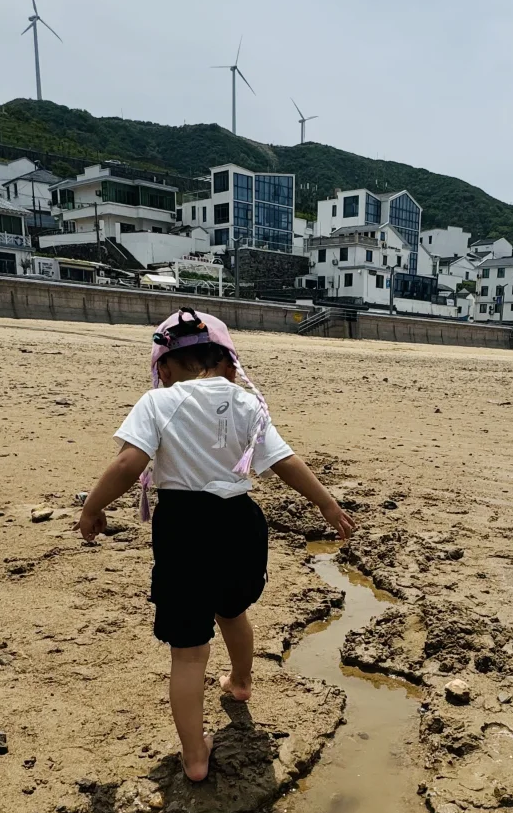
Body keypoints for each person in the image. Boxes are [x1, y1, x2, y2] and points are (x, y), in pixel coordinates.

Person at [77, 308, 356, 783]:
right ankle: (242, 683)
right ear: (229, 364)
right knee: (232, 611)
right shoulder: (246, 403)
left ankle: (195, 757)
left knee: (187, 653)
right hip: (239, 523)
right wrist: (327, 506)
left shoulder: (157, 403)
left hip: (183, 526)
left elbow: (129, 464)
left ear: (162, 369)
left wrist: (92, 508)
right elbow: (284, 461)